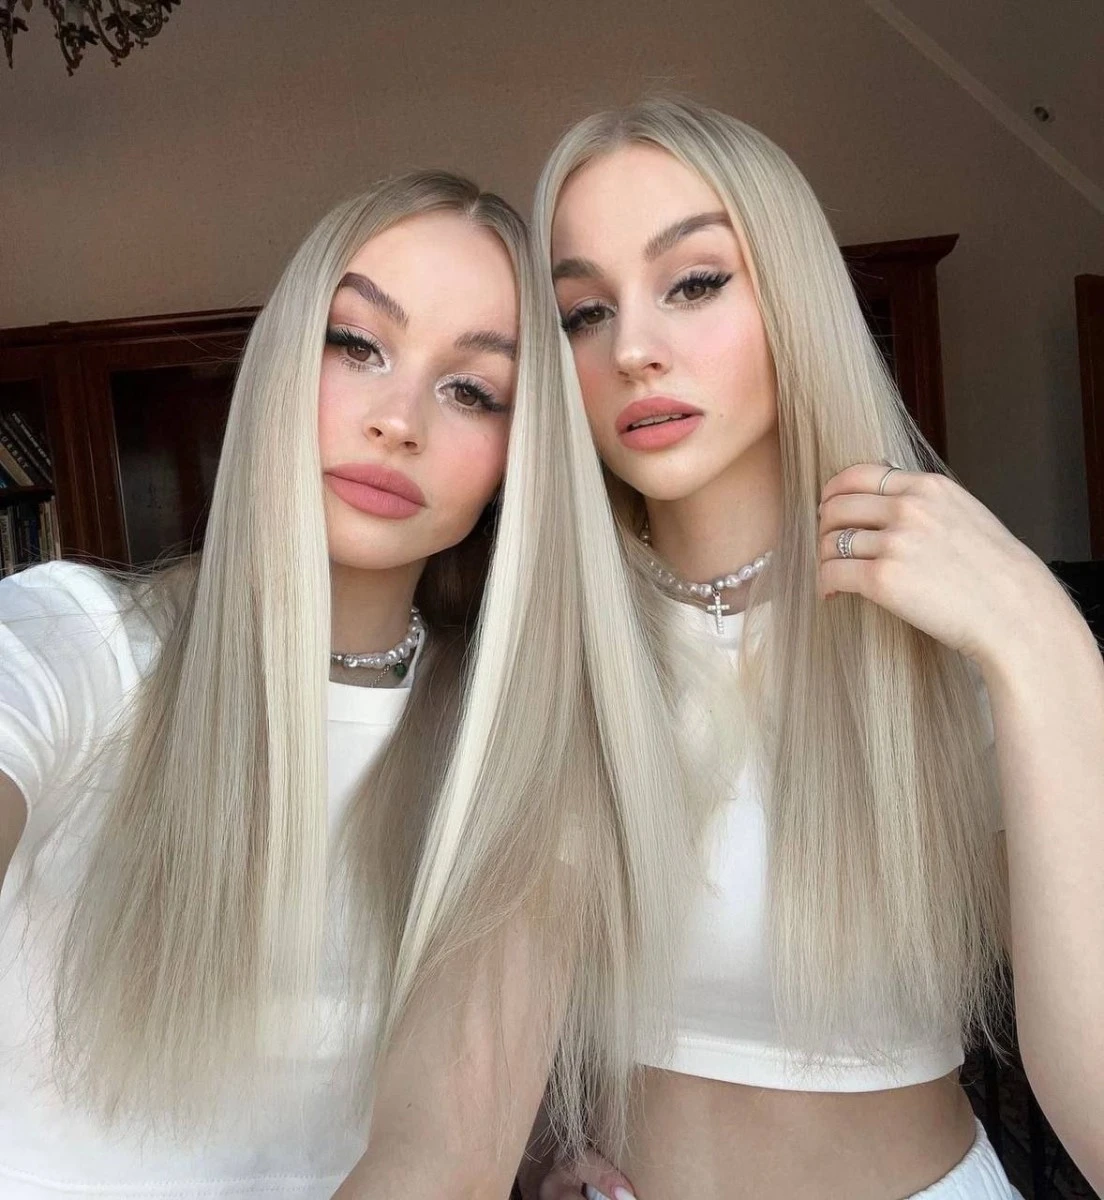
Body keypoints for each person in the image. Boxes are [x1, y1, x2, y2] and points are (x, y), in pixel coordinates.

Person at [524, 98, 1104, 1199]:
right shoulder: (543, 654)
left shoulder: (952, 626)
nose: (633, 349)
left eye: (694, 282)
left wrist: (1043, 641)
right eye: (583, 312)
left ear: (793, 296)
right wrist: (538, 1150)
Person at [0, 171, 589, 1198]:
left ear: (521, 456)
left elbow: (448, 1157)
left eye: (472, 390)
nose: (397, 420)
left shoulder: (512, 741)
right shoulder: (71, 638)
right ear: (278, 362)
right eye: (356, 344)